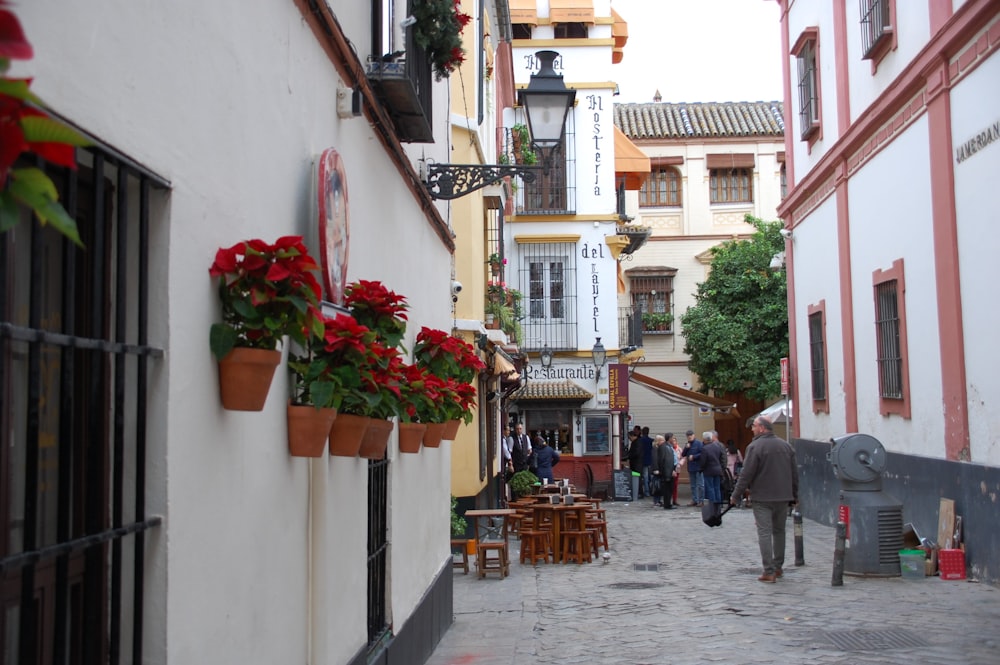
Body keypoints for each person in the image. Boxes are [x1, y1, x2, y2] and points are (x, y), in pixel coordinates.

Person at [730, 416, 799, 583]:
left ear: (761, 428)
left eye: (753, 426)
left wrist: (736, 495)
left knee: (765, 532)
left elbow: (746, 474)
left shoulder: (755, 447)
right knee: (779, 531)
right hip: (783, 496)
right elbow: (794, 474)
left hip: (762, 496)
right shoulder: (786, 446)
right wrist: (794, 495)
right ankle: (778, 567)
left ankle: (769, 571)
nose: (752, 429)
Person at [700, 430, 725, 506]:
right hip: (718, 470)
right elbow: (721, 457)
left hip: (709, 471)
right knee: (717, 487)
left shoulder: (705, 448)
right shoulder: (717, 446)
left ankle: (713, 504)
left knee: (710, 488)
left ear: (704, 439)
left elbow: (703, 461)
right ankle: (718, 503)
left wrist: (701, 468)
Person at [652, 434, 676, 509]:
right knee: (660, 487)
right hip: (665, 471)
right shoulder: (660, 448)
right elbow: (659, 460)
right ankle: (662, 502)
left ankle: (665, 502)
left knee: (667, 488)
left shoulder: (668, 446)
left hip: (668, 470)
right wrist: (658, 469)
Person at [681, 430, 705, 506]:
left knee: (700, 485)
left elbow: (703, 453)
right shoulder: (687, 445)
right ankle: (694, 500)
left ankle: (701, 500)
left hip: (698, 467)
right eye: (688, 436)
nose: (689, 437)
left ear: (694, 435)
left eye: (690, 435)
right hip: (691, 467)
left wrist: (694, 457)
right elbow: (683, 454)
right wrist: (686, 448)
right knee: (693, 485)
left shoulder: (699, 444)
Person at [626, 430, 642, 501]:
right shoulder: (635, 442)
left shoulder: (637, 443)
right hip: (635, 464)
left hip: (637, 464)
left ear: (633, 436)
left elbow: (636, 453)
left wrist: (629, 456)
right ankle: (638, 492)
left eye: (629, 437)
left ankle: (639, 492)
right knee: (636, 477)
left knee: (637, 478)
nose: (629, 439)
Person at [639, 427, 654, 499]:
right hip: (650, 460)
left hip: (643, 460)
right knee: (650, 476)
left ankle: (647, 492)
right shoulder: (651, 440)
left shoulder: (641, 440)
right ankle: (651, 490)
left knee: (645, 477)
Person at [670, 434, 683, 507]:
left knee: (675, 485)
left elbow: (683, 457)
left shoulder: (679, 449)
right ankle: (669, 499)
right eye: (672, 441)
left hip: (677, 469)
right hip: (670, 469)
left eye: (675, 441)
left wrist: (680, 464)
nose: (673, 442)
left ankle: (675, 500)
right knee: (670, 485)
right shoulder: (669, 448)